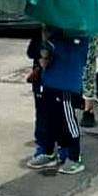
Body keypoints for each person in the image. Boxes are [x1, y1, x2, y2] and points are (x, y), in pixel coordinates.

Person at [25, 27, 88, 175]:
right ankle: (48, 152)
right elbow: (37, 53)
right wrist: (44, 41)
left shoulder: (81, 32)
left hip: (66, 85)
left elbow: (80, 57)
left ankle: (73, 157)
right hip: (49, 82)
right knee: (49, 120)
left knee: (67, 121)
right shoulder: (52, 32)